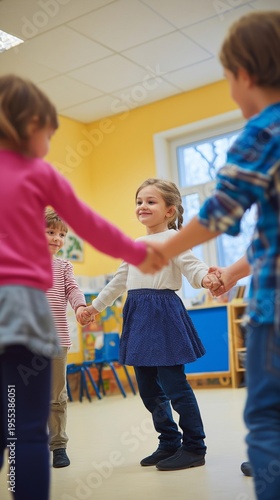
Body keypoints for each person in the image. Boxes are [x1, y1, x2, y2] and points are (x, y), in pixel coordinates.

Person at [0, 75, 165, 500]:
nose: (50, 144)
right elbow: (94, 226)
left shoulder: (62, 263)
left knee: (9, 418)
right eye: (48, 134)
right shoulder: (40, 174)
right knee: (27, 429)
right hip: (27, 313)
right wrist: (138, 251)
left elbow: (75, 281)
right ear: (28, 125)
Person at [155, 11, 280, 499]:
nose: (230, 90)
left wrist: (162, 249)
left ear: (245, 75)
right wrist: (229, 271)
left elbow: (220, 211)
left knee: (267, 414)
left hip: (274, 310)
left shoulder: (262, 130)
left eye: (228, 79)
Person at [82, 178, 221, 471]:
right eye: (139, 201)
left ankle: (194, 446)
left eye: (150, 201)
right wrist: (94, 307)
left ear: (170, 211)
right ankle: (169, 440)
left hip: (164, 314)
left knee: (174, 384)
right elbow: (119, 281)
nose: (142, 206)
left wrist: (205, 279)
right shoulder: (135, 244)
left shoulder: (174, 239)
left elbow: (192, 267)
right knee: (147, 387)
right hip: (138, 315)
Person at [45, 208, 89, 468]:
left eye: (61, 234)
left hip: (56, 340)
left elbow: (72, 289)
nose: (57, 238)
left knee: (56, 397)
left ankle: (58, 445)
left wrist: (81, 307)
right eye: (50, 232)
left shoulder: (63, 266)